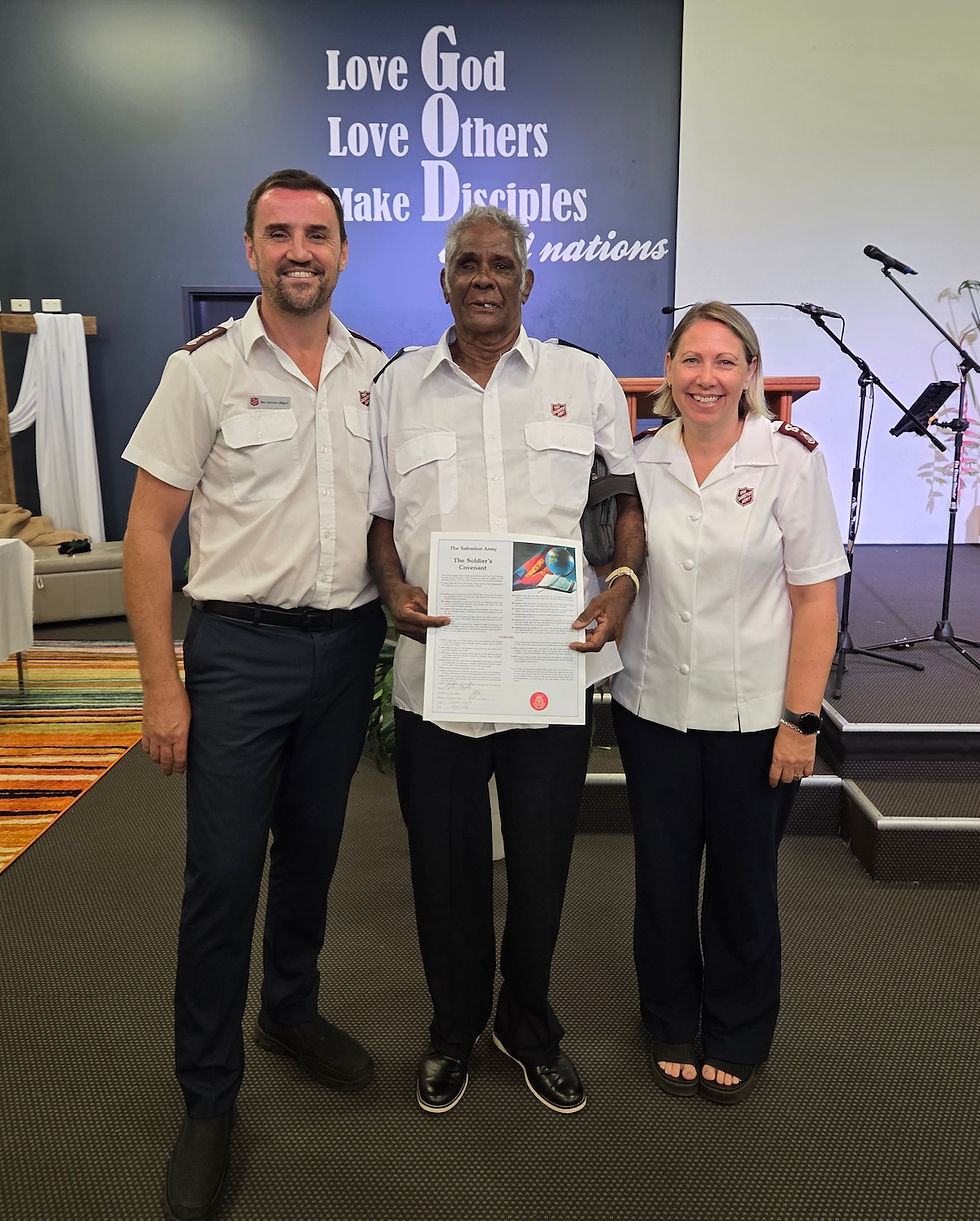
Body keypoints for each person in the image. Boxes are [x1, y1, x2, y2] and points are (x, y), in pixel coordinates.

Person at [122, 169, 388, 1220]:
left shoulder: (377, 375)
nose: (298, 250)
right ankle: (207, 1099)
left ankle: (290, 1010)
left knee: (314, 852)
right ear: (248, 251)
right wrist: (160, 686)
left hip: (345, 649)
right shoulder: (202, 372)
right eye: (278, 234)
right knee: (223, 876)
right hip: (237, 652)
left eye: (316, 233)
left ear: (342, 250)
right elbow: (149, 533)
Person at [367, 205, 644, 1116]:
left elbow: (619, 502)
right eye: (467, 264)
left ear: (528, 282)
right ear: (443, 281)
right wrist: (391, 587)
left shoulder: (585, 377)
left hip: (549, 661)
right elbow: (379, 524)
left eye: (501, 264)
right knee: (441, 868)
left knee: (540, 861)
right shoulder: (397, 388)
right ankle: (452, 1028)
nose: (484, 277)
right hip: (438, 667)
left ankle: (527, 1023)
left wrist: (624, 582)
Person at [611, 301, 848, 1104]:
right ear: (669, 373)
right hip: (653, 709)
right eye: (691, 361)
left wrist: (800, 719)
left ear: (751, 373)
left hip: (755, 721)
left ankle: (740, 1028)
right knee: (664, 879)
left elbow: (816, 598)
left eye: (724, 362)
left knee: (744, 883)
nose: (706, 378)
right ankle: (670, 1017)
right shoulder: (640, 461)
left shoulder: (788, 461)